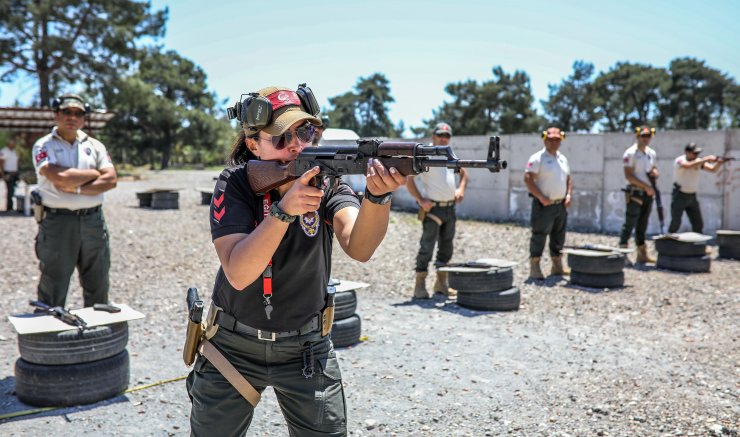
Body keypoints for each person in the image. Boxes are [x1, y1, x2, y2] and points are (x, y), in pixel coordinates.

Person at [187, 85, 405, 436]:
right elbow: (239, 273)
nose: (295, 144)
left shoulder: (328, 185)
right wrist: (283, 211)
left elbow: (360, 247)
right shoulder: (236, 183)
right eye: (280, 136)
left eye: (304, 132)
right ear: (253, 144)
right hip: (232, 349)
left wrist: (378, 197)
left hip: (306, 348)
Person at [31, 94, 117, 307]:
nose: (72, 117)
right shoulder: (43, 145)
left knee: (98, 280)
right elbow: (58, 178)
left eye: (79, 113)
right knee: (54, 282)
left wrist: (74, 186)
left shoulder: (95, 145)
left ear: (84, 118)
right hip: (58, 222)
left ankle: (99, 335)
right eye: (67, 112)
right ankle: (49, 336)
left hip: (93, 221)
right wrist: (94, 173)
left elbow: (111, 179)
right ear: (56, 114)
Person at [406, 122, 468, 299]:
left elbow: (464, 174)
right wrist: (420, 200)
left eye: (447, 136)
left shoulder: (450, 154)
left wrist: (461, 189)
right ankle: (419, 286)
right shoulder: (426, 154)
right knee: (427, 247)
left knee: (446, 249)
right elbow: (409, 181)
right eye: (440, 135)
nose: (444, 138)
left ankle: (441, 284)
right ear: (433, 136)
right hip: (432, 209)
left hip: (450, 209)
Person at [524, 127, 572, 279]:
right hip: (544, 205)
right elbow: (528, 178)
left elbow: (568, 179)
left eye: (557, 140)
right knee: (539, 235)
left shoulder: (562, 159)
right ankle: (535, 266)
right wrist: (541, 197)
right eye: (550, 139)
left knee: (559, 236)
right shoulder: (538, 158)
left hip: (560, 204)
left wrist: (568, 194)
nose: (554, 142)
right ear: (545, 139)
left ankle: (557, 265)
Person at [618, 126, 658, 264]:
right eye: (643, 136)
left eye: (648, 136)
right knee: (629, 223)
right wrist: (646, 186)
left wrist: (655, 173)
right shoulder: (630, 153)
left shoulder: (651, 153)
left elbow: (653, 167)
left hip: (648, 193)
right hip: (635, 192)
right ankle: (622, 252)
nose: (646, 138)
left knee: (643, 224)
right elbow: (629, 175)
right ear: (638, 136)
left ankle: (642, 254)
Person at [668, 142, 724, 234]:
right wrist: (706, 159)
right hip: (679, 195)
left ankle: (698, 246)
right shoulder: (680, 160)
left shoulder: (698, 162)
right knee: (675, 222)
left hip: (692, 196)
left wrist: (719, 163)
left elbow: (713, 169)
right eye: (694, 153)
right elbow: (688, 165)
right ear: (686, 152)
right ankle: (668, 244)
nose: (696, 155)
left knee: (698, 223)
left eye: (697, 154)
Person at [0, 137, 19, 211]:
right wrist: (3, 174)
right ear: (9, 144)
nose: (14, 145)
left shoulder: (15, 151)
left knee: (13, 190)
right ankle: (9, 207)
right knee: (10, 190)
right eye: (12, 143)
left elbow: (17, 162)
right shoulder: (4, 151)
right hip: (8, 173)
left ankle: (11, 206)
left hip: (15, 173)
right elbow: (1, 163)